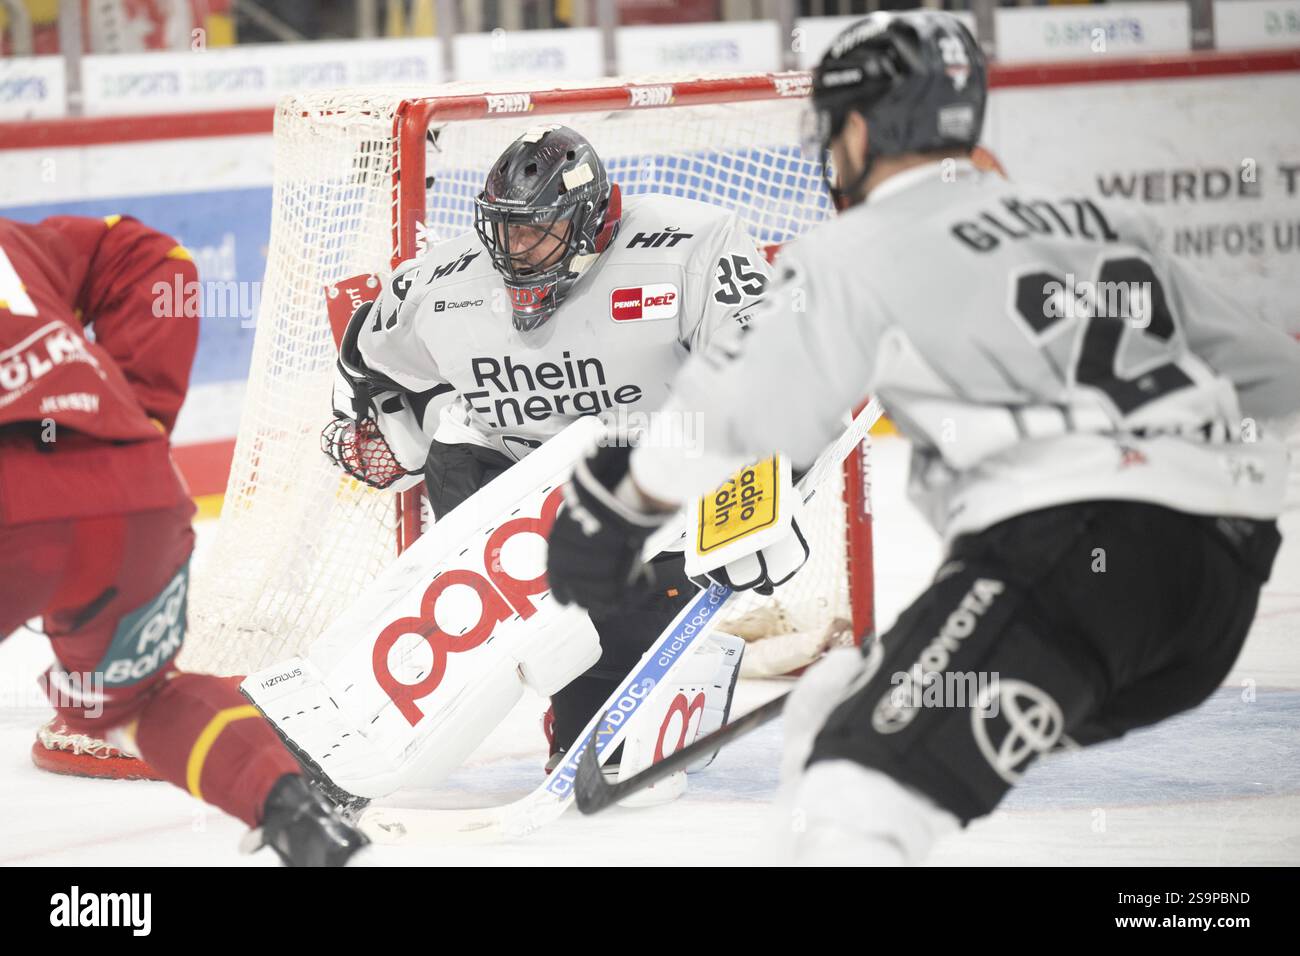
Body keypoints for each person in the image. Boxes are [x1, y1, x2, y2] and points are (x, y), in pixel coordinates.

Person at [543, 10, 1300, 863]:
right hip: (1217, 586)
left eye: (833, 131)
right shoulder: (1101, 223)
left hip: (1075, 561)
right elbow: (1275, 373)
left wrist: (620, 505)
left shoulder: (861, 246)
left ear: (861, 128)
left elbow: (743, 412)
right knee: (836, 707)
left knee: (856, 798)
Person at [325, 124, 811, 769]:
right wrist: (379, 423)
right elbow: (365, 358)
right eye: (506, 228)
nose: (516, 250)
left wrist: (758, 487)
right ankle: (397, 701)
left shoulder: (691, 247)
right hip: (502, 476)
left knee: (609, 739)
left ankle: (606, 688)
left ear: (588, 223)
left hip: (645, 484)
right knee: (501, 626)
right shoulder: (444, 279)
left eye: (536, 229)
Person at [0, 214, 366, 866]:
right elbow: (157, 256)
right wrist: (136, 415)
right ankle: (288, 806)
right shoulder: (17, 238)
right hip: (131, 496)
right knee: (146, 700)